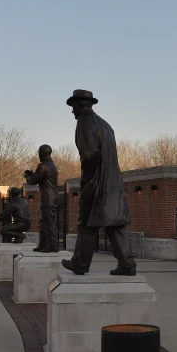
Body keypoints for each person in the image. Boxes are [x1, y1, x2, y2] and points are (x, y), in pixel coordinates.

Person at [61, 90, 136, 276]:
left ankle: (80, 263)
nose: (72, 111)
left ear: (80, 104)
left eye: (73, 107)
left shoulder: (84, 122)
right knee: (114, 224)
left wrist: (86, 182)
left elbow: (90, 155)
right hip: (113, 183)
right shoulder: (105, 125)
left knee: (86, 222)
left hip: (96, 182)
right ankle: (127, 264)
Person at [24, 145, 59, 253]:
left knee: (49, 223)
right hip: (53, 198)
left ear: (42, 153)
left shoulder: (42, 166)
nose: (38, 155)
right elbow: (40, 178)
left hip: (48, 199)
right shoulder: (52, 165)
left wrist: (27, 176)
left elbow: (34, 181)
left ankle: (52, 246)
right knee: (43, 223)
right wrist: (33, 175)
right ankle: (43, 245)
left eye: (39, 152)